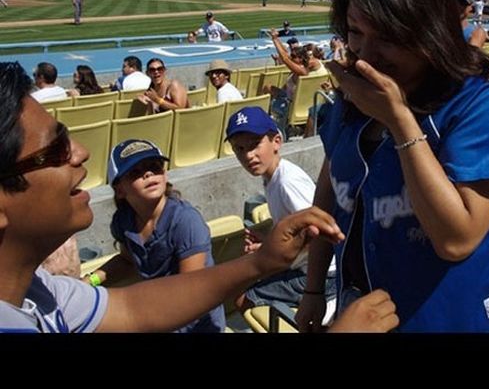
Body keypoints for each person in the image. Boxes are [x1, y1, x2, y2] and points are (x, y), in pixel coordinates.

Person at [0, 59, 399, 333]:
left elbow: (134, 308)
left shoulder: (38, 292)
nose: (81, 153)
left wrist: (261, 261)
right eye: (56, 150)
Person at [295, 0, 489, 333]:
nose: (367, 55)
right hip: (362, 311)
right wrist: (314, 288)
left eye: (388, 36)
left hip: (455, 320)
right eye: (356, 32)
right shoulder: (356, 92)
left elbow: (456, 240)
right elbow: (333, 185)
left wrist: (400, 122)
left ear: (430, 29)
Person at [85, 138, 225, 333]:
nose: (148, 173)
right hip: (159, 312)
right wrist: (90, 281)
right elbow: (127, 261)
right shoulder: (123, 220)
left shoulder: (185, 220)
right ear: (120, 190)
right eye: (135, 172)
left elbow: (190, 292)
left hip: (196, 324)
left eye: (155, 167)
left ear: (165, 174)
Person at [226, 107, 337, 313]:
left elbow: (321, 233)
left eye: (254, 145)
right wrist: (269, 241)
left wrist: (268, 249)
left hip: (321, 276)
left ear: (276, 141)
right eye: (239, 149)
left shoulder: (287, 182)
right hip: (304, 266)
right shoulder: (272, 177)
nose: (249, 155)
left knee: (241, 299)